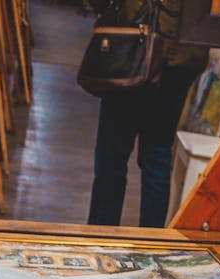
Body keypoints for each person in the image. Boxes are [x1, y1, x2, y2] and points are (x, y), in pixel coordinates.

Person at [87, 0, 208, 228]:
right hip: (183, 55)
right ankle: (150, 241)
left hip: (133, 46)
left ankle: (100, 237)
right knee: (157, 155)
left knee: (112, 155)